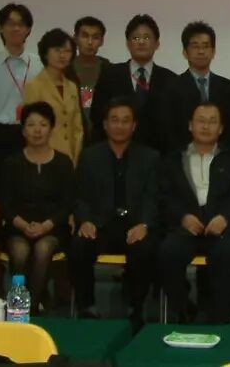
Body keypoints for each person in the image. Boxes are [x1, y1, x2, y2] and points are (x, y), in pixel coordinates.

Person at [70, 97, 160, 328]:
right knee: (79, 245)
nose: (120, 126)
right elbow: (80, 196)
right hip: (101, 225)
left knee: (144, 247)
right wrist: (85, 221)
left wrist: (145, 224)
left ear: (134, 125)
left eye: (125, 120)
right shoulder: (90, 156)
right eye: (114, 120)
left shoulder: (150, 157)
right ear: (105, 124)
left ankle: (135, 308)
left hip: (134, 224)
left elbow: (153, 197)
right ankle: (87, 307)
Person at [158, 102, 230, 323]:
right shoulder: (172, 159)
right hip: (186, 225)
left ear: (221, 128)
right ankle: (183, 310)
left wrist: (225, 217)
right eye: (201, 121)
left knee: (228, 253)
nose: (206, 126)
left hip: (222, 226)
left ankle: (220, 319)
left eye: (212, 121)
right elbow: (164, 195)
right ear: (190, 125)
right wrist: (183, 217)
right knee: (167, 252)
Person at [0, 101, 75, 313]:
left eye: (43, 124)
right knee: (20, 251)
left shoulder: (63, 163)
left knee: (43, 249)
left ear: (51, 128)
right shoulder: (12, 163)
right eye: (31, 125)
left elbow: (67, 203)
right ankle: (18, 304)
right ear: (23, 130)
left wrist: (45, 226)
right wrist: (24, 225)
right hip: (18, 226)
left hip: (53, 227)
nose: (37, 130)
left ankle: (30, 308)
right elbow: (5, 203)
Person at [90, 14, 180, 150]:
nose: (141, 42)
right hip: (115, 154)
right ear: (127, 44)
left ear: (157, 44)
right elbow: (97, 118)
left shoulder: (171, 80)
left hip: (159, 156)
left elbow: (176, 127)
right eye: (135, 38)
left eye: (147, 37)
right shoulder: (110, 75)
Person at [0, 3, 41, 185]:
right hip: (1, 138)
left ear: (28, 29)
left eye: (21, 24)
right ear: (0, 27)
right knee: (1, 192)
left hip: (33, 136)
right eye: (10, 23)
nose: (16, 28)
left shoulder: (39, 64)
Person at [168, 21, 230, 153]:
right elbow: (169, 130)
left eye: (205, 46)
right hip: (182, 157)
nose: (201, 51)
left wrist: (224, 157)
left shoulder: (228, 87)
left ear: (213, 52)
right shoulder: (171, 87)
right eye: (195, 46)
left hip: (220, 157)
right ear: (185, 52)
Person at [23, 28, 84, 163]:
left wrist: (75, 157)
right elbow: (31, 127)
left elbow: (77, 127)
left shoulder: (72, 86)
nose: (62, 55)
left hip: (71, 158)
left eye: (67, 51)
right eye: (57, 50)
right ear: (45, 53)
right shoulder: (34, 86)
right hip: (44, 158)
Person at [67, 17, 110, 133]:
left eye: (95, 37)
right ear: (75, 38)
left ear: (101, 41)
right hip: (71, 133)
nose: (90, 42)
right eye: (85, 36)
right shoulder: (65, 69)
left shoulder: (109, 70)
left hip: (101, 134)